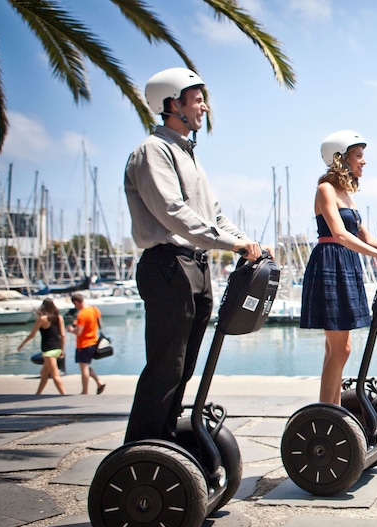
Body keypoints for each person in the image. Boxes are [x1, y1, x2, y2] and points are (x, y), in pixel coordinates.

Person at [123, 67, 264, 443]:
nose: (204, 108)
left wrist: (248, 242)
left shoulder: (189, 156)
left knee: (184, 368)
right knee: (166, 367)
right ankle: (142, 449)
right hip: (168, 265)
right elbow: (172, 212)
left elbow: (214, 216)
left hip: (195, 267)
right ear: (173, 104)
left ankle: (166, 443)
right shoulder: (153, 152)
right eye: (197, 100)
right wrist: (229, 244)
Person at [300, 130, 377, 404]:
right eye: (358, 156)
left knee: (337, 349)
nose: (364, 162)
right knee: (341, 349)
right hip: (331, 261)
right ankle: (329, 413)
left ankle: (331, 410)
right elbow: (339, 234)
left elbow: (367, 237)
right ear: (340, 159)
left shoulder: (348, 194)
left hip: (346, 262)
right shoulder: (325, 189)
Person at [17, 299, 67, 395]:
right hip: (57, 347)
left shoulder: (42, 319)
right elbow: (63, 335)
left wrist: (22, 344)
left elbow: (32, 334)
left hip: (48, 349)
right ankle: (38, 394)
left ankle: (64, 395)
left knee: (55, 375)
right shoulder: (59, 317)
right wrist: (62, 349)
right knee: (44, 374)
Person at [68, 293, 106, 394]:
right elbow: (99, 323)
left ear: (76, 302)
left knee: (84, 368)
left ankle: (85, 391)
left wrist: (71, 329)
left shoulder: (82, 314)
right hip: (94, 341)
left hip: (84, 344)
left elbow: (78, 332)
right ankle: (99, 382)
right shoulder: (94, 309)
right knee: (87, 366)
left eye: (74, 304)